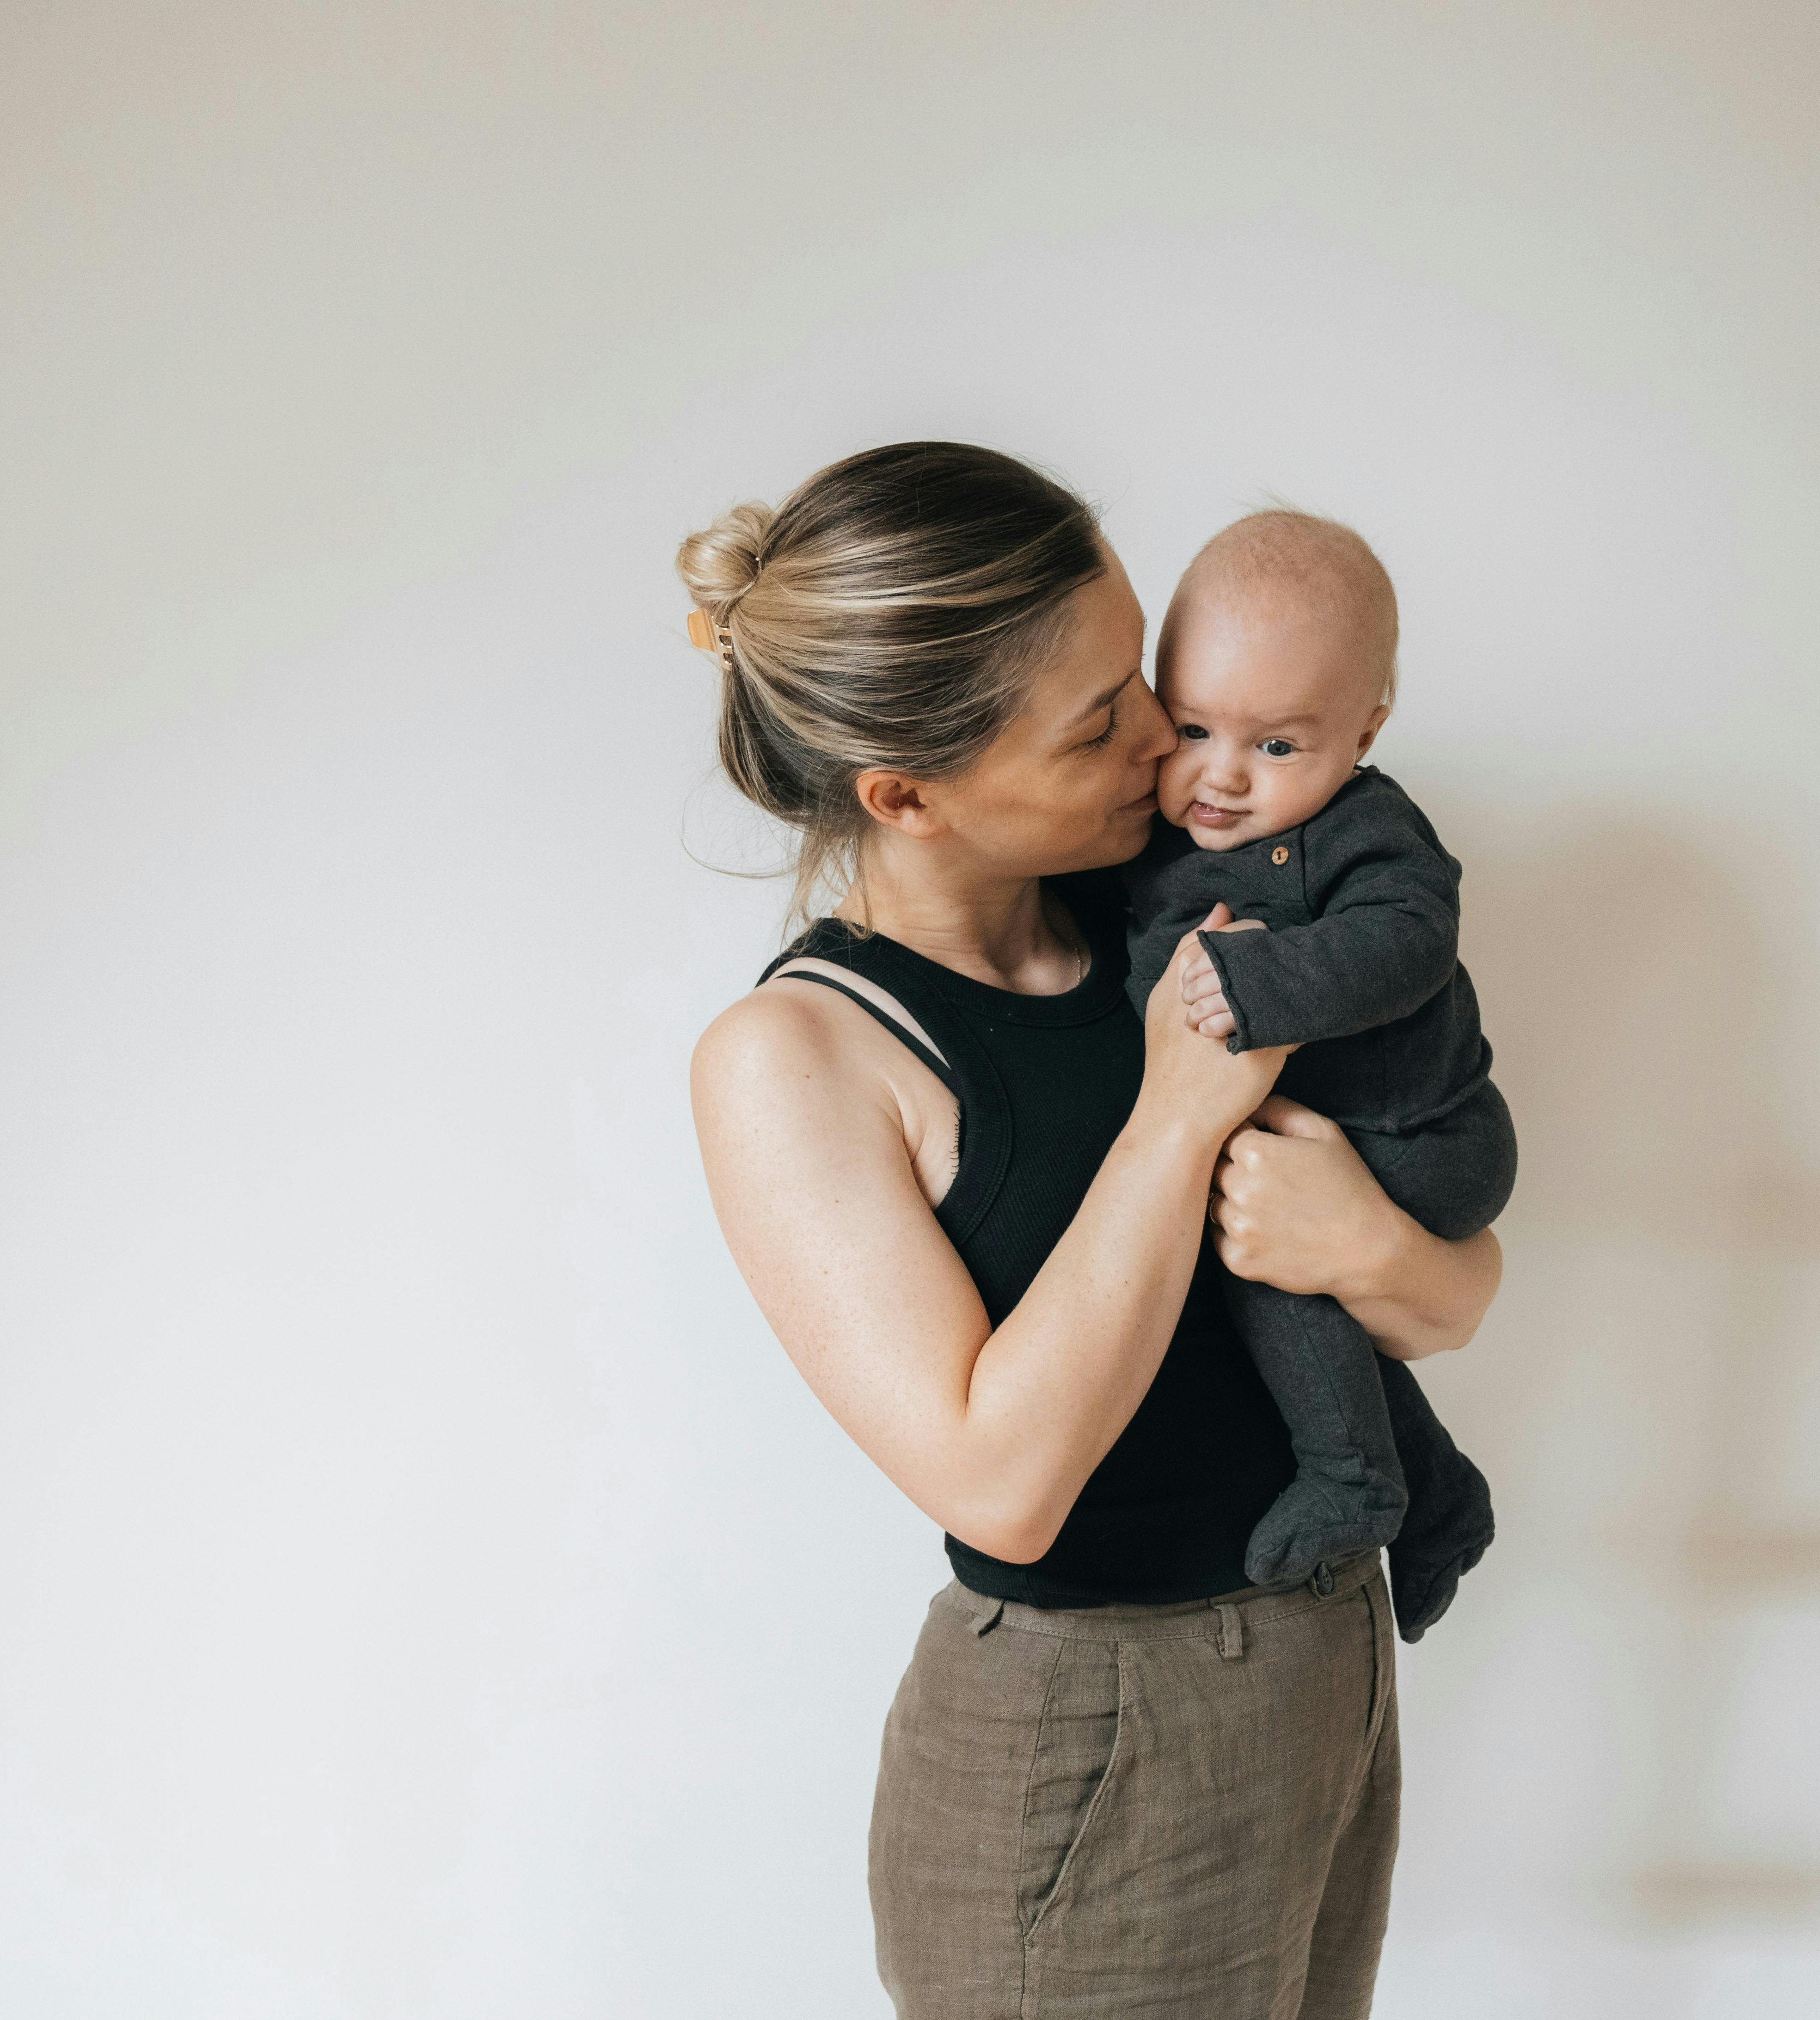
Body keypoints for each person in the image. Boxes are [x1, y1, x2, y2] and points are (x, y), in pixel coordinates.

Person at [677, 442, 1504, 2019]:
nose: (1165, 742)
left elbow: (1451, 1296)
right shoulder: (799, 1061)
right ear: (907, 794)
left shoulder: (1179, 901)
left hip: (1325, 1661)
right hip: (1095, 1727)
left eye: (1140, 679)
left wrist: (1371, 1245)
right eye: (1101, 722)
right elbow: (1002, 1482)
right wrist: (1179, 1115)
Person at [1123, 510, 1509, 1642]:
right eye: (1191, 726)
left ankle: (1359, 1481)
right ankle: (1440, 1500)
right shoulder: (1151, 845)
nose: (1222, 776)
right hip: (1316, 1146)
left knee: (1257, 1264)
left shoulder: (1367, 832)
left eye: (1278, 746)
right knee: (1266, 1272)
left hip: (1422, 1137)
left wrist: (1267, 984)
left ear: (1365, 729)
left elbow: (1412, 939)